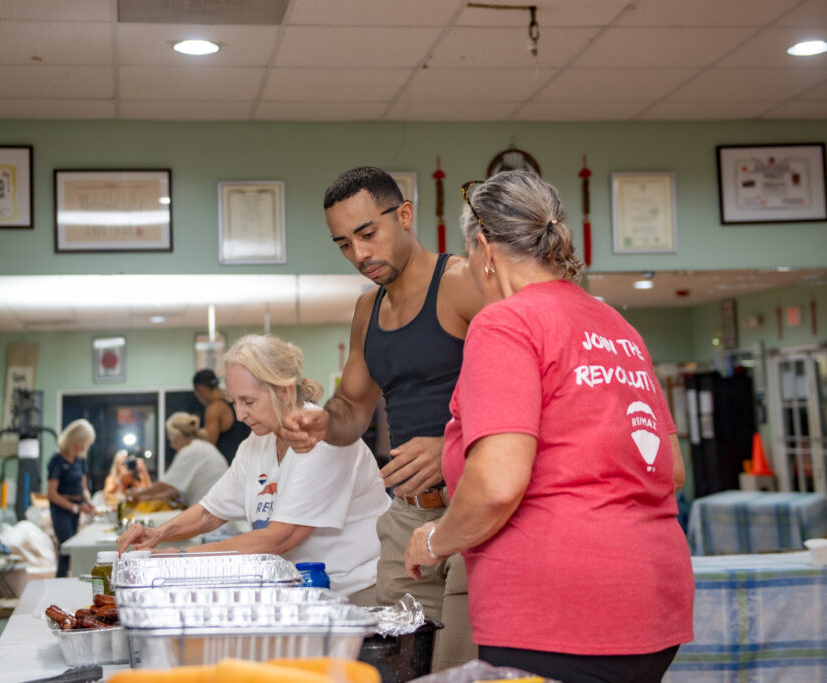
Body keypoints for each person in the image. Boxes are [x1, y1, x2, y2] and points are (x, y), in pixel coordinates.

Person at [404, 170, 694, 682]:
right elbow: (669, 469)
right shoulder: (617, 327)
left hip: (557, 611)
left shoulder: (506, 323)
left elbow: (496, 484)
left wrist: (434, 541)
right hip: (653, 604)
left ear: (484, 249)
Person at [281, 166, 482, 670]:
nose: (359, 254)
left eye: (367, 233)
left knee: (458, 670)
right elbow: (352, 408)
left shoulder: (462, 283)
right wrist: (321, 423)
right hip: (407, 517)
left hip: (472, 505)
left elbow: (533, 384)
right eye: (344, 244)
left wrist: (451, 446)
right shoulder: (366, 311)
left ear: (405, 215)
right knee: (397, 667)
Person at [118, 335, 389, 603]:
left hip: (355, 591)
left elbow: (279, 539)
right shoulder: (257, 443)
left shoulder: (321, 439)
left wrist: (181, 557)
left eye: (248, 402)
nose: (239, 415)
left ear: (284, 392)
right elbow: (210, 513)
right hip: (300, 592)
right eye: (233, 402)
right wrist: (158, 533)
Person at [127, 412, 228, 508]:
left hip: (213, 510)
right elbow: (176, 490)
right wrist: (152, 497)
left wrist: (137, 493)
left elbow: (165, 485)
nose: (172, 446)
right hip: (216, 507)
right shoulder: (201, 447)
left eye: (171, 440)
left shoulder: (191, 451)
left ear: (177, 436)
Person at [46, 418, 97, 577]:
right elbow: (51, 494)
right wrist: (75, 508)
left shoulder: (80, 460)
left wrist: (89, 502)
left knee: (74, 547)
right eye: (82, 443)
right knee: (65, 547)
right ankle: (60, 581)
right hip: (61, 508)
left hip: (77, 506)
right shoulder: (57, 461)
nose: (83, 447)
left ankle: (73, 579)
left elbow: (83, 488)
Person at [193, 369, 251, 465]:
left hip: (226, 467)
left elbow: (208, 446)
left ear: (201, 389)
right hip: (245, 462)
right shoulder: (237, 402)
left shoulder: (214, 408)